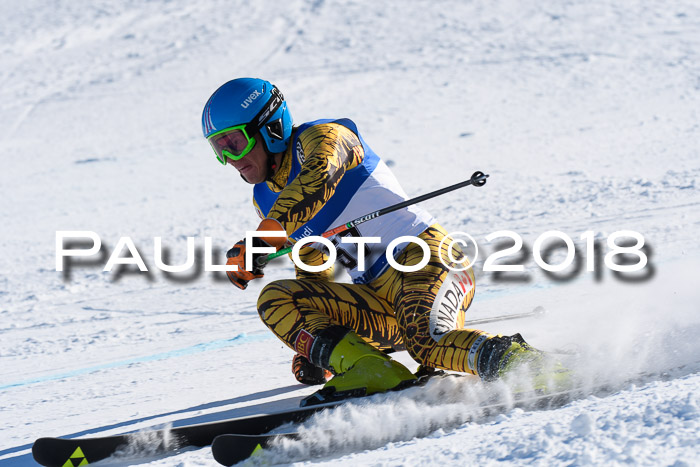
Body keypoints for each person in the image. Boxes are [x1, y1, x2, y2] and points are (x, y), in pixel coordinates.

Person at [201, 78, 569, 402]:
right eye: (219, 149)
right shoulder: (265, 198)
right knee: (278, 298)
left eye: (234, 142)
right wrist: (319, 345)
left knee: (428, 343)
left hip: (428, 260)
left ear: (271, 127)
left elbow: (316, 182)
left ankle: (526, 365)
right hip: (378, 298)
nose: (230, 159)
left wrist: (262, 241)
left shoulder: (325, 138)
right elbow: (314, 269)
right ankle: (370, 370)